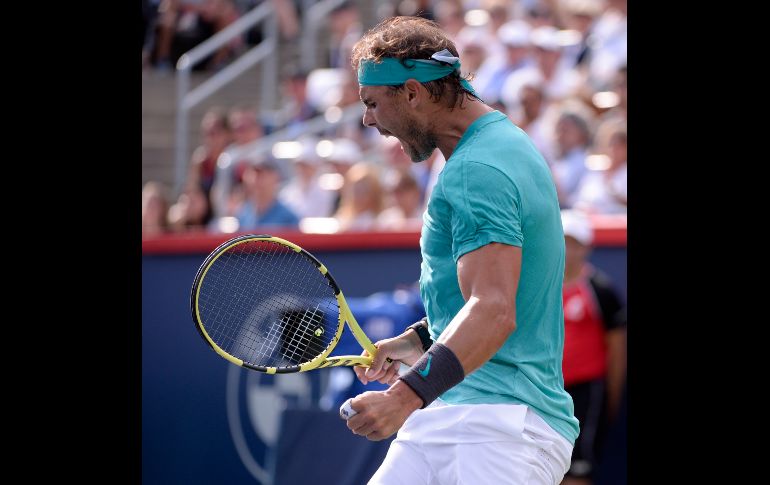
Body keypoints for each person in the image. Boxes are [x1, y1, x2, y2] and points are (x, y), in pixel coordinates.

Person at [344, 16, 579, 485]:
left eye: (372, 103)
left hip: (500, 427)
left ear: (413, 93)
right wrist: (418, 340)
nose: (368, 120)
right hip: (454, 412)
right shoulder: (501, 144)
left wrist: (402, 397)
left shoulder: (477, 168)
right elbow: (501, 293)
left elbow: (494, 310)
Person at [559, 209, 627, 484]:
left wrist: (611, 396)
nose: (567, 250)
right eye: (562, 241)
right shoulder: (537, 288)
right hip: (546, 389)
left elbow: (617, 350)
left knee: (578, 468)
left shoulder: (601, 290)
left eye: (574, 243)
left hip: (586, 393)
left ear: (586, 248)